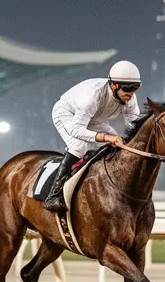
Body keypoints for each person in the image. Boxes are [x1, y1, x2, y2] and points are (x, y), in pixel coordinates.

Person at [44, 60, 142, 213]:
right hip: (66, 113)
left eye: (135, 87)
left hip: (93, 119)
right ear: (114, 85)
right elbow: (76, 130)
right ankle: (53, 195)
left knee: (119, 145)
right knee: (79, 146)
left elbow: (135, 127)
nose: (130, 93)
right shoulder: (93, 96)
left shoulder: (130, 98)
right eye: (127, 88)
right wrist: (106, 137)